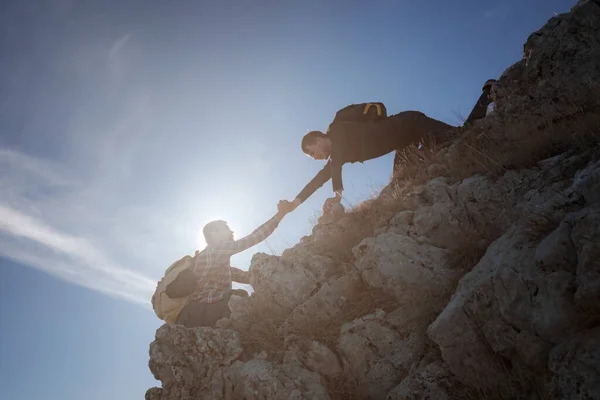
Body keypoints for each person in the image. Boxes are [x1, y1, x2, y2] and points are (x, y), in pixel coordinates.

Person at [282, 79, 497, 212]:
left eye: (312, 153)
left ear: (318, 140)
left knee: (462, 137)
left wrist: (338, 194)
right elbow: (318, 180)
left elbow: (335, 162)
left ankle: (488, 93)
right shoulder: (339, 154)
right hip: (405, 144)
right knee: (399, 184)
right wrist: (294, 203)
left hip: (411, 124)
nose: (315, 158)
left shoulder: (338, 128)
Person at [164, 200, 294, 328]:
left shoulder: (214, 261)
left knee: (239, 296)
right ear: (213, 234)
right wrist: (280, 214)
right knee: (239, 299)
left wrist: (268, 276)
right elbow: (253, 238)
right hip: (201, 313)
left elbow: (243, 276)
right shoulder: (215, 250)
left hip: (193, 316)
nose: (232, 232)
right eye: (226, 229)